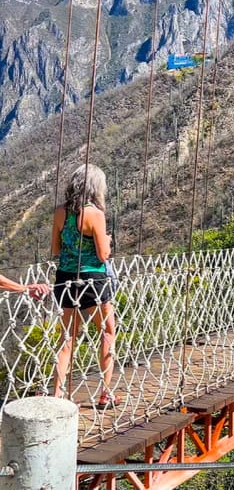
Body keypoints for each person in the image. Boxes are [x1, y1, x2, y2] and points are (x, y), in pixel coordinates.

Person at [51, 164, 118, 407]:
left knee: (67, 337)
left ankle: (57, 394)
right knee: (107, 331)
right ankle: (105, 393)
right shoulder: (95, 214)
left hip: (65, 279)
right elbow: (103, 255)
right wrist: (107, 240)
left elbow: (56, 249)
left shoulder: (60, 212)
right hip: (93, 280)